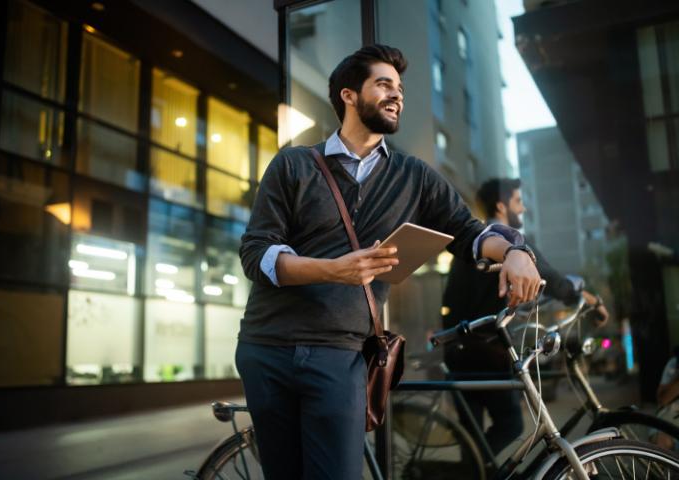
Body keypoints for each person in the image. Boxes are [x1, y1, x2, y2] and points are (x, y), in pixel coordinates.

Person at [237, 45, 541, 480]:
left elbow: (471, 232)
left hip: (340, 354)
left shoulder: (414, 177)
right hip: (266, 348)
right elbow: (255, 251)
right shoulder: (294, 164)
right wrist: (335, 268)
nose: (397, 95)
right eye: (384, 84)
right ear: (348, 95)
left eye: (399, 88)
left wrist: (515, 251)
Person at [442, 177, 609, 456]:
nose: (524, 209)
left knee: (471, 440)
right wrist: (592, 299)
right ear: (501, 205)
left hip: (458, 351)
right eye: (518, 202)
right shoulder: (506, 240)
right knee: (510, 424)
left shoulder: (472, 243)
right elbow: (551, 279)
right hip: (489, 355)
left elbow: (450, 301)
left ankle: (472, 470)